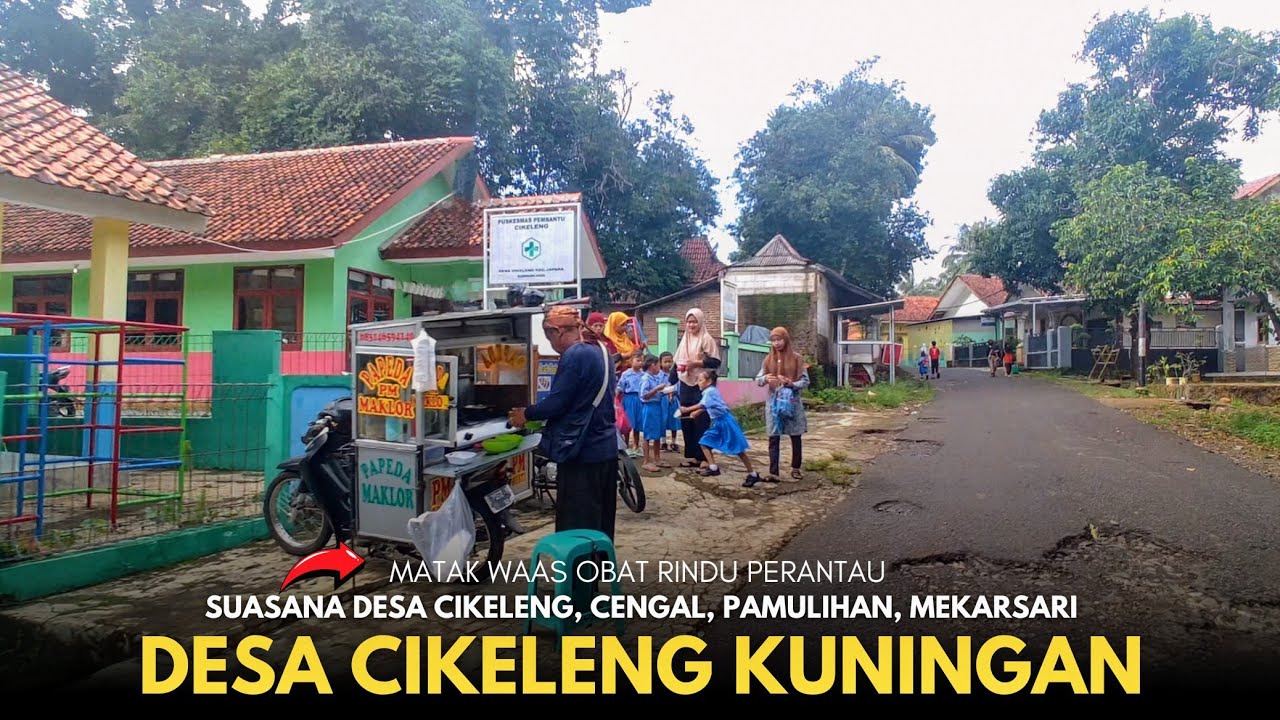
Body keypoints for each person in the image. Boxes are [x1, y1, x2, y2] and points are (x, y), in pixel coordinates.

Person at [509, 306, 619, 539]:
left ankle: (580, 564)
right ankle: (598, 561)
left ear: (558, 331)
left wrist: (526, 414)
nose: (551, 345)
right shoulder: (601, 349)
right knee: (600, 523)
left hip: (582, 453)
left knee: (577, 527)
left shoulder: (575, 355)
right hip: (606, 448)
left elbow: (558, 402)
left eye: (549, 338)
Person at [681, 370, 762, 487]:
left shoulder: (710, 392)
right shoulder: (709, 392)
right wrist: (698, 412)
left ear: (709, 381)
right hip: (718, 423)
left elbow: (703, 405)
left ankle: (753, 474)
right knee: (704, 442)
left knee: (739, 449)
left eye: (700, 380)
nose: (698, 382)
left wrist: (687, 409)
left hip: (726, 422)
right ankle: (713, 467)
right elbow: (709, 405)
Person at [670, 308, 721, 469]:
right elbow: (676, 363)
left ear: (700, 322)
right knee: (686, 420)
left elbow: (715, 362)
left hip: (701, 384)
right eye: (689, 322)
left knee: (701, 420)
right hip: (685, 383)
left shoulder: (706, 339)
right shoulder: (684, 339)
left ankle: (704, 457)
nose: (691, 325)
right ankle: (692, 456)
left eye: (694, 322)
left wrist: (696, 363)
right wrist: (670, 386)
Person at [756, 326, 808, 483]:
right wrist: (766, 378)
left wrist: (791, 383)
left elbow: (805, 381)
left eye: (779, 339)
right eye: (773, 340)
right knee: (773, 436)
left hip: (792, 402)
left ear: (786, 340)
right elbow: (758, 379)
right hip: (774, 403)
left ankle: (796, 468)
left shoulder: (797, 358)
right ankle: (773, 472)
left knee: (795, 435)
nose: (776, 343)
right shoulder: (768, 359)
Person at [638, 354, 670, 473]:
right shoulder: (646, 379)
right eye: (658, 365)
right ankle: (646, 461)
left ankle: (657, 458)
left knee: (658, 433)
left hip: (658, 406)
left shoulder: (655, 377)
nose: (659, 368)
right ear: (652, 365)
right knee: (648, 435)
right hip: (649, 408)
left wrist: (666, 391)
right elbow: (644, 396)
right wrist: (657, 389)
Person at [617, 351, 645, 451]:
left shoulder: (644, 374)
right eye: (638, 360)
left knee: (638, 423)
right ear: (631, 361)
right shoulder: (626, 374)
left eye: (642, 361)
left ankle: (636, 444)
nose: (640, 363)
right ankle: (626, 442)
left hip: (640, 400)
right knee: (628, 422)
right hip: (629, 399)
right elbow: (620, 387)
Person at [659, 351, 680, 453]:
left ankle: (674, 442)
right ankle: (663, 442)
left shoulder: (676, 374)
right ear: (660, 363)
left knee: (674, 420)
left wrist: (673, 393)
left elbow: (678, 386)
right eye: (665, 362)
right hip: (663, 400)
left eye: (670, 361)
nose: (668, 364)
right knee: (663, 420)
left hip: (673, 400)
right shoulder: (659, 375)